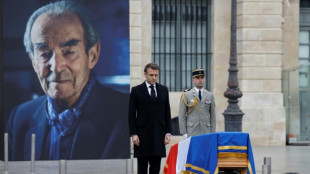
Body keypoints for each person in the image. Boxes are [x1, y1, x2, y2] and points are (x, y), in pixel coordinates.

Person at [6, 1, 129, 160]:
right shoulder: (20, 119)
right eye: (44, 54)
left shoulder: (130, 114)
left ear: (93, 55)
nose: (56, 67)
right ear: (33, 61)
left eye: (69, 52)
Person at [128, 63, 172, 174]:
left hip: (159, 135)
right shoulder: (136, 90)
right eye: (151, 75)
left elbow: (167, 112)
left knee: (155, 169)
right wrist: (133, 134)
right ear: (145, 74)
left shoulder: (163, 90)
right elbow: (131, 114)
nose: (154, 78)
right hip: (142, 136)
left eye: (156, 75)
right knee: (142, 169)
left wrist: (168, 132)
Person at [178, 68, 216, 139]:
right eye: (197, 78)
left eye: (202, 78)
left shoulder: (210, 95)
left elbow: (213, 117)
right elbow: (181, 116)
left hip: (206, 131)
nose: (200, 80)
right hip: (192, 131)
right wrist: (184, 133)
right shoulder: (186, 95)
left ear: (204, 79)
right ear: (193, 80)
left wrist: (213, 132)